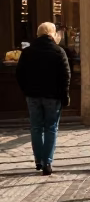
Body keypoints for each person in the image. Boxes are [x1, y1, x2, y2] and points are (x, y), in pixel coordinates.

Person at [15, 21, 71, 175]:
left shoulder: (28, 52)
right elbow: (66, 76)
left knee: (36, 128)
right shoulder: (59, 51)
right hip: (53, 97)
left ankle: (38, 160)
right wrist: (65, 95)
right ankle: (47, 162)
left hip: (33, 95)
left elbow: (19, 73)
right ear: (52, 34)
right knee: (51, 128)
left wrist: (26, 89)